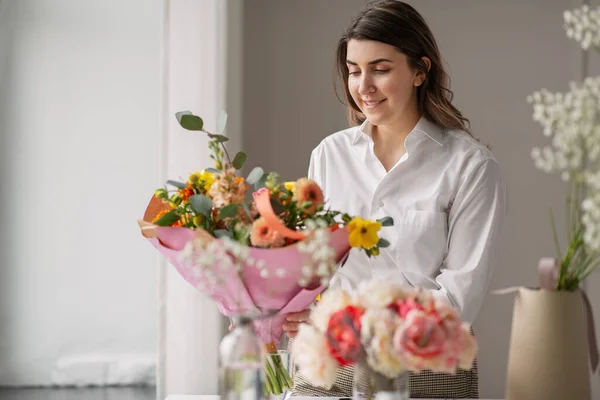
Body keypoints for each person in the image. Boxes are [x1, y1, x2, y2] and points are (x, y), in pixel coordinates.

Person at [283, 0, 507, 398]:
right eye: (354, 71)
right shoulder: (329, 155)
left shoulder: (470, 165)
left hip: (426, 373)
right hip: (328, 371)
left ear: (420, 71)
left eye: (380, 69)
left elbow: (459, 297)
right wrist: (280, 308)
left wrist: (370, 333)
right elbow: (313, 266)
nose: (363, 86)